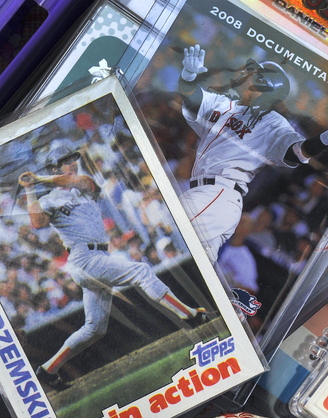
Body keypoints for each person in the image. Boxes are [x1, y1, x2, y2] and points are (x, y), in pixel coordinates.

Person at [18, 144, 208, 391]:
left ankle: (47, 370)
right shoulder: (49, 200)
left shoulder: (82, 188)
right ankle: (190, 315)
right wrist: (31, 189)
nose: (72, 162)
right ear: (55, 166)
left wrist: (40, 177)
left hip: (96, 256)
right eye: (66, 160)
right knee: (142, 271)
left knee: (94, 328)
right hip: (84, 257)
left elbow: (83, 181)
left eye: (73, 159)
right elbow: (37, 222)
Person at [177, 44, 328, 262]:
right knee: (188, 263)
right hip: (208, 195)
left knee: (170, 233)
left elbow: (297, 152)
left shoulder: (273, 123)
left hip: (218, 195)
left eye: (254, 79)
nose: (246, 81)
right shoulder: (227, 106)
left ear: (264, 89)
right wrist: (189, 75)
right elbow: (192, 96)